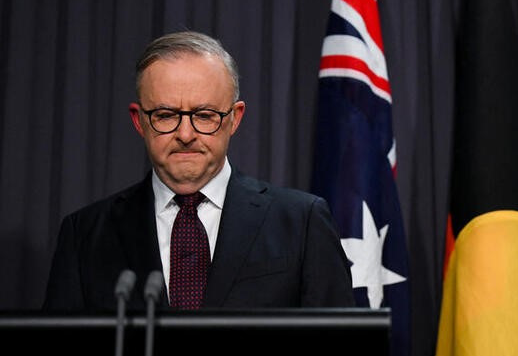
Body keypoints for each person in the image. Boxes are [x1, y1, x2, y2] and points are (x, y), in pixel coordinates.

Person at [43, 31, 354, 311]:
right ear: (139, 120)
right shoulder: (85, 235)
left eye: (205, 115)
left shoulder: (301, 223)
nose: (186, 134)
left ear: (234, 118)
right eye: (166, 115)